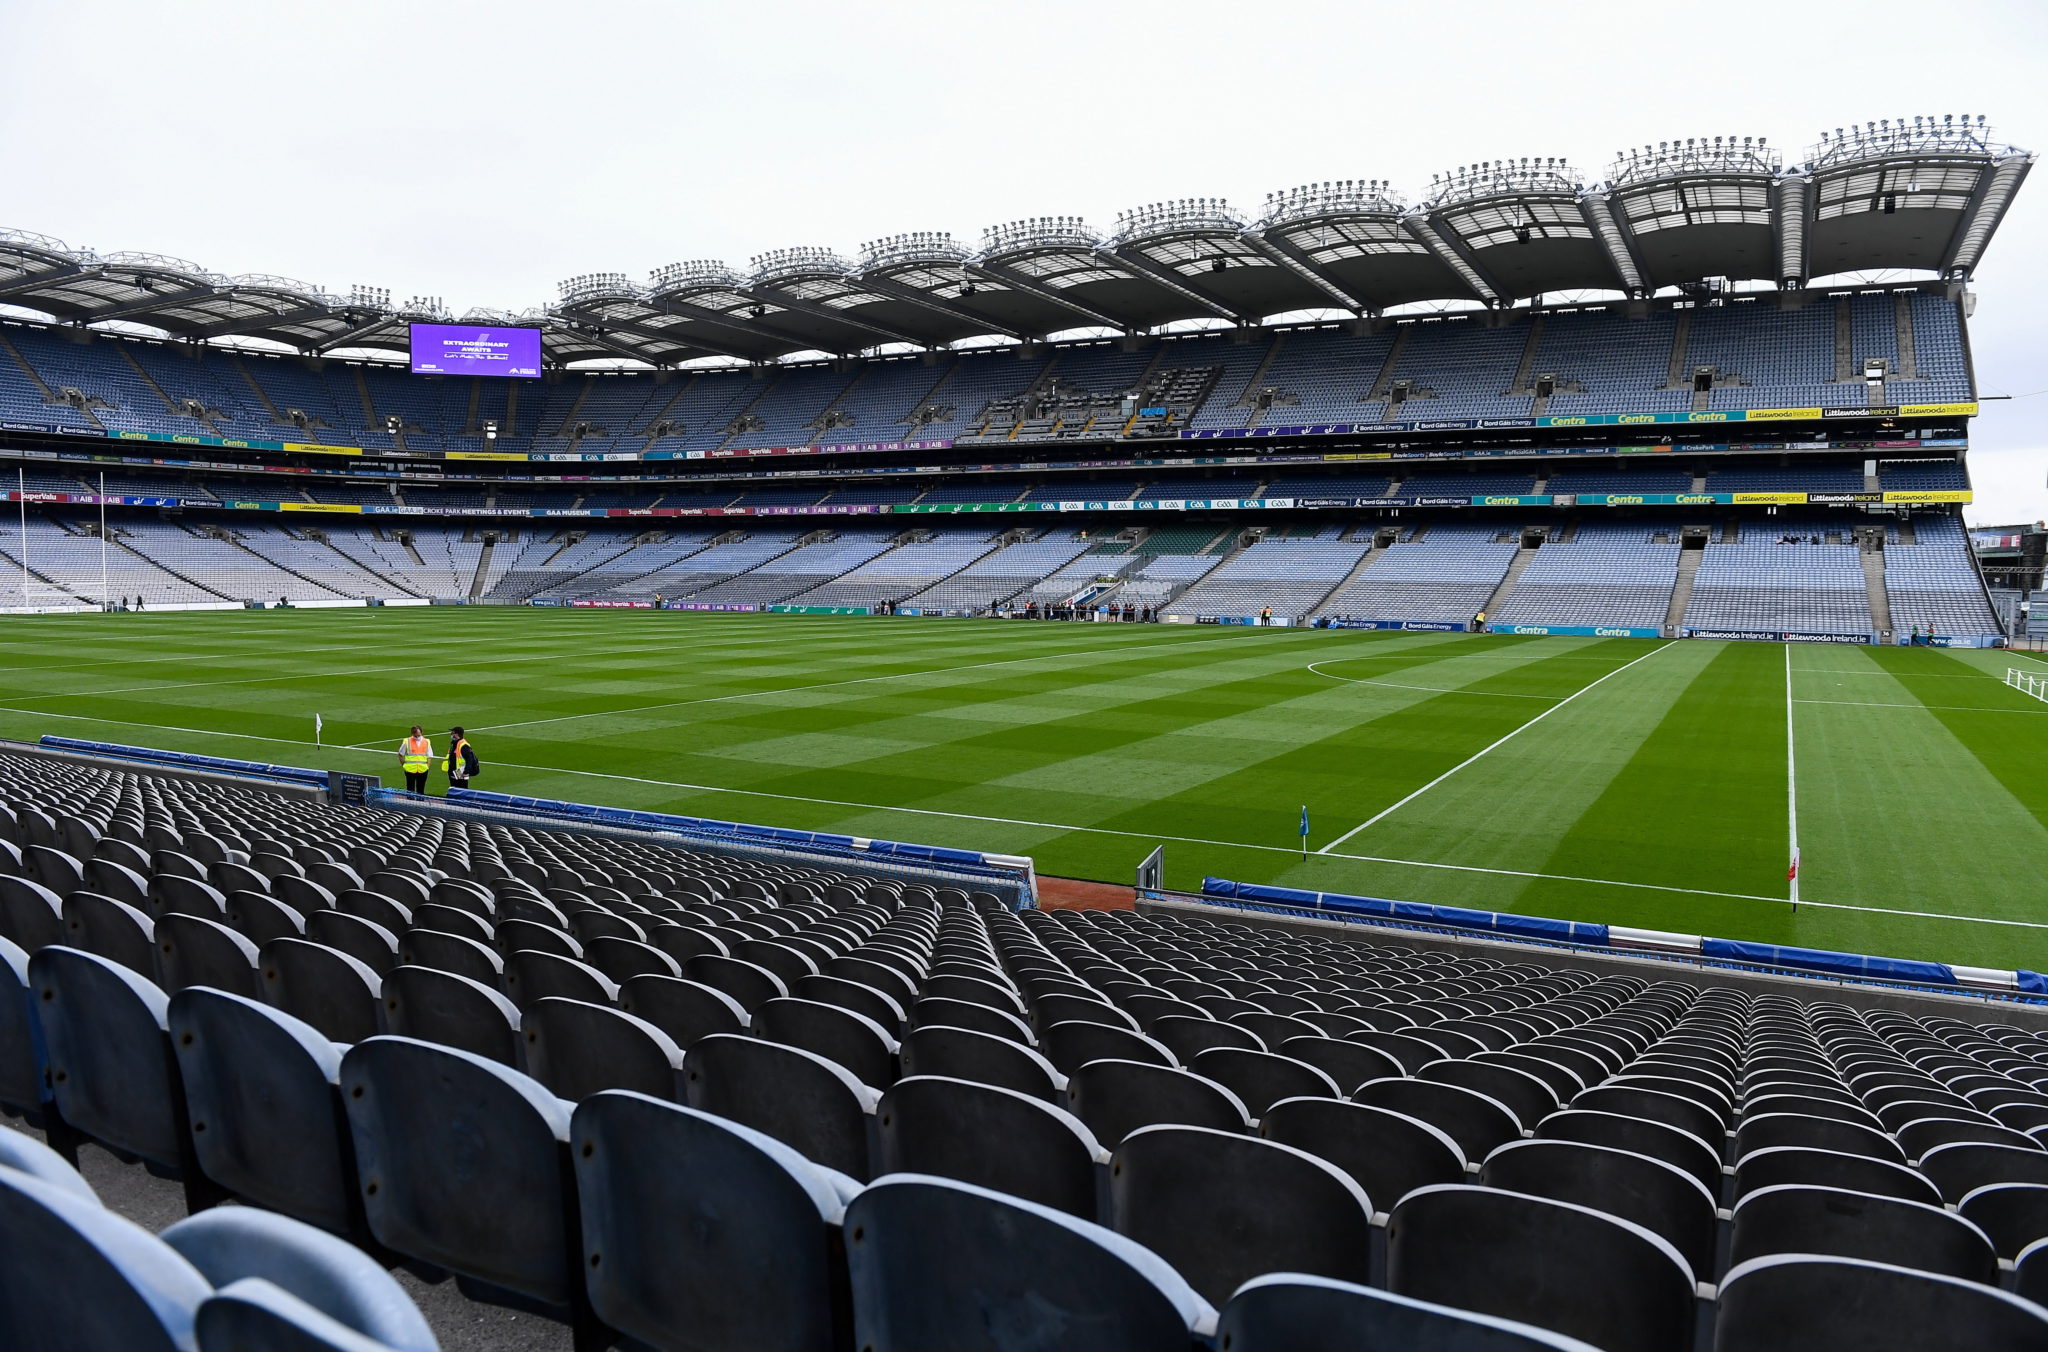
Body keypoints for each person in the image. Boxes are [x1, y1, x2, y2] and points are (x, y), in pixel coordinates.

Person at [399, 725, 433, 795]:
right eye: (415, 736)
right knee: (410, 789)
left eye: (418, 735)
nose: (417, 737)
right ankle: (410, 804)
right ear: (412, 733)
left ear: (421, 733)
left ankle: (420, 804)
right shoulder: (407, 741)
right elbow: (400, 754)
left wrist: (427, 767)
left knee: (421, 789)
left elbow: (429, 756)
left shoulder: (426, 741)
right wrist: (404, 766)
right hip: (410, 769)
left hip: (423, 769)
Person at [445, 726, 478, 792]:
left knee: (462, 792)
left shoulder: (463, 745)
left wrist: (466, 772)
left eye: (453, 733)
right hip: (455, 773)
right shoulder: (454, 744)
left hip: (461, 774)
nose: (451, 734)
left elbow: (470, 759)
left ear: (457, 734)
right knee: (454, 791)